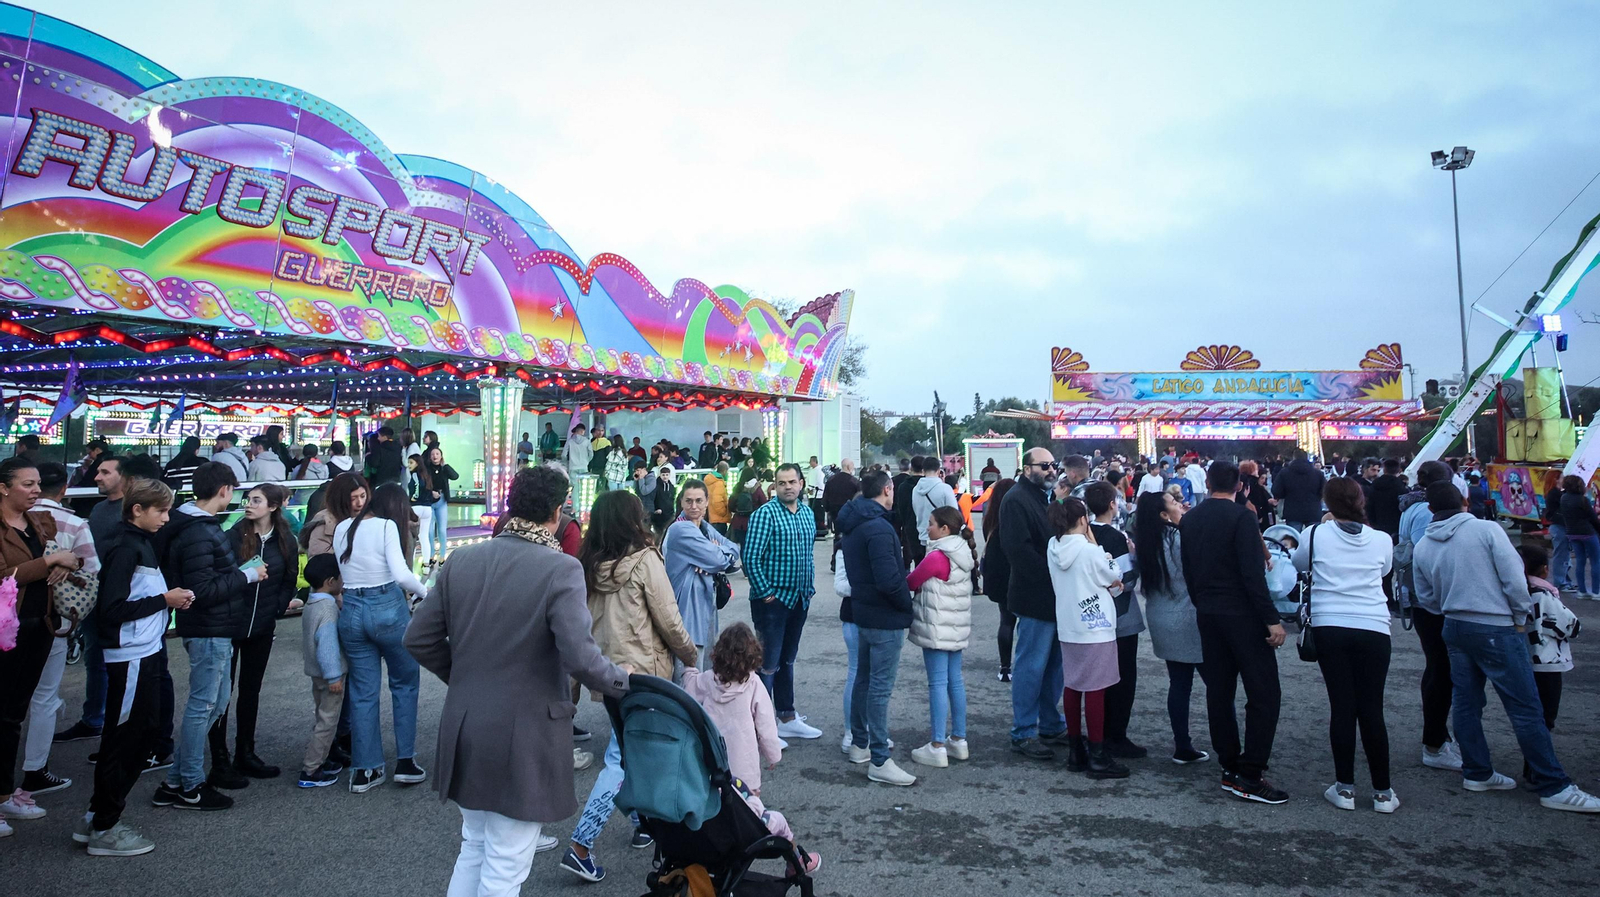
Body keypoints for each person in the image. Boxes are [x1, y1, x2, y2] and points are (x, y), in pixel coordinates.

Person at [404, 465, 630, 894]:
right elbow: (581, 657)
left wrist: (465, 676)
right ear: (558, 510)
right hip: (524, 730)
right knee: (506, 862)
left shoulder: (462, 559)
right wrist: (624, 681)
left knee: (475, 845)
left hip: (466, 721)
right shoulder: (560, 569)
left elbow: (418, 638)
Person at [1413, 481, 1600, 812]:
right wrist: (1519, 615)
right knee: (1525, 706)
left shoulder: (1425, 544)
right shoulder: (1486, 530)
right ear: (1464, 501)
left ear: (1429, 510)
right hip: (1496, 625)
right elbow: (1514, 575)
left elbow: (1425, 596)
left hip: (1454, 625)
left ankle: (1477, 770)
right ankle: (1553, 784)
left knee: (1467, 703)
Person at [560, 489, 697, 881]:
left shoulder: (585, 563)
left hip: (605, 672)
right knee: (622, 759)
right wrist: (689, 655)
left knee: (632, 750)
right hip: (644, 672)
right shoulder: (645, 560)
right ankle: (581, 844)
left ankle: (643, 823)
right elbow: (668, 618)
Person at [75, 477, 192, 856]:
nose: (166, 517)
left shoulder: (138, 544)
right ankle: (105, 824)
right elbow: (111, 610)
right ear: (137, 510)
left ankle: (99, 815)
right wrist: (165, 600)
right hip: (130, 655)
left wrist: (165, 601)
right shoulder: (126, 549)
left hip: (142, 651)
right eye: (161, 510)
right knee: (126, 739)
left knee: (137, 734)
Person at [151, 461, 264, 810]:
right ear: (225, 490)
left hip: (210, 627)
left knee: (213, 703)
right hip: (209, 628)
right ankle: (191, 785)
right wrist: (247, 576)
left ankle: (177, 782)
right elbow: (201, 588)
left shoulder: (190, 525)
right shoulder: (200, 530)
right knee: (205, 705)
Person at [1181, 460, 1288, 804]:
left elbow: (1189, 569)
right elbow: (1252, 574)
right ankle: (1252, 772)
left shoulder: (1191, 518)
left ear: (1208, 482)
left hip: (1208, 612)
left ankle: (1229, 764)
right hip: (1242, 615)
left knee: (1219, 690)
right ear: (1240, 486)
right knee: (1264, 692)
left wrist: (1202, 603)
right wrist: (1271, 618)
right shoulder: (1242, 517)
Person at [1291, 478, 1398, 813]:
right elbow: (1386, 570)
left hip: (1330, 624)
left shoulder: (1314, 534)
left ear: (1327, 502)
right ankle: (1383, 792)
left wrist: (1322, 526)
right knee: (1372, 708)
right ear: (1361, 500)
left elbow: (1298, 565)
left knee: (1342, 706)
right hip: (1373, 626)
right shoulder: (1381, 539)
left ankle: (1345, 787)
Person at [680, 624, 822, 875]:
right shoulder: (754, 684)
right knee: (748, 809)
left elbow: (689, 687)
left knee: (719, 808)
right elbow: (766, 725)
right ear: (753, 657)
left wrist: (689, 667)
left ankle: (717, 849)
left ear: (718, 654)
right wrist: (773, 754)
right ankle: (795, 860)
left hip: (712, 770)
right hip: (744, 772)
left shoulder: (707, 680)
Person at [0, 459, 85, 832]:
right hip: (6, 630)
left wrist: (65, 563)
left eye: (37, 483)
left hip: (39, 625)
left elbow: (72, 557)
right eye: (27, 484)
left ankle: (4, 796)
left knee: (14, 713)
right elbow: (6, 575)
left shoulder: (37, 520)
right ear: (4, 488)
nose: (36, 490)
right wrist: (50, 560)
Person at [332, 481, 429, 793]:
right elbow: (401, 575)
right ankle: (405, 763)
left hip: (352, 610)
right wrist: (427, 592)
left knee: (362, 691)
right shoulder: (387, 527)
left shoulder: (340, 529)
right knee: (404, 682)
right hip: (387, 605)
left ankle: (365, 769)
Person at [20, 464, 98, 797]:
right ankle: (34, 770)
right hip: (53, 620)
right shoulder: (75, 523)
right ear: (64, 489)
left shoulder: (17, 519)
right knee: (44, 697)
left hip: (11, 617)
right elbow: (92, 568)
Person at [215, 483, 300, 780]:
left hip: (262, 626)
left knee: (250, 691)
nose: (248, 504)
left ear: (273, 506)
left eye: (256, 500)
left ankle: (245, 753)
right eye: (247, 499)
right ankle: (219, 759)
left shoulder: (285, 540)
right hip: (230, 623)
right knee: (221, 693)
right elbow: (222, 575)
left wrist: (277, 607)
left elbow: (290, 577)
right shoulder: (233, 536)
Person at [838, 470, 917, 786]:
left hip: (864, 613)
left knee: (864, 680)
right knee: (879, 688)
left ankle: (861, 744)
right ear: (888, 489)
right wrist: (906, 605)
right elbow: (888, 579)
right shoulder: (879, 528)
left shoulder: (855, 524)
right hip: (884, 617)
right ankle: (880, 758)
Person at [1046, 496, 1128, 779]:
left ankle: (1075, 749)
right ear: (1083, 520)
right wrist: (1099, 548)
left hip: (1069, 623)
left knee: (1073, 685)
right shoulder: (1090, 550)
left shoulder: (1053, 546)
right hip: (1097, 624)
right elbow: (1113, 573)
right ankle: (1097, 754)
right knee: (1096, 688)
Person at [743, 463, 822, 741]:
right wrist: (766, 594)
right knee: (767, 664)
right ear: (774, 486)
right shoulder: (765, 514)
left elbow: (807, 554)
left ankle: (787, 716)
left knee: (788, 660)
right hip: (772, 602)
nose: (788, 486)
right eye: (782, 482)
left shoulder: (808, 514)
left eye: (792, 481)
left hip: (800, 597)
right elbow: (750, 558)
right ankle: (762, 727)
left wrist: (809, 587)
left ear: (801, 483)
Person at [1003, 448, 1069, 761]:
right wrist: (1054, 574)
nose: (1051, 470)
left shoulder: (1044, 498)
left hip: (1053, 597)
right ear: (1027, 468)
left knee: (1054, 666)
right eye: (1045, 466)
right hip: (1033, 597)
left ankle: (1051, 723)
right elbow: (1018, 551)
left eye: (1053, 465)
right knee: (1031, 666)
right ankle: (1024, 731)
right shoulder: (1016, 499)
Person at [1133, 490, 1209, 764]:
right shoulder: (1178, 539)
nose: (1182, 505)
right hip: (1188, 617)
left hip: (1161, 618)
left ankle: (1182, 744)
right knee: (1216, 682)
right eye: (1175, 503)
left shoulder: (1144, 541)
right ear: (1164, 515)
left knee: (1179, 683)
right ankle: (1227, 744)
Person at [1395, 459, 1461, 770]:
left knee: (1438, 667)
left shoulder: (1411, 507)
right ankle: (1435, 740)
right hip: (1432, 599)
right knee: (1441, 669)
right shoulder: (1426, 512)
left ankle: (1438, 737)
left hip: (1422, 597)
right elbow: (1429, 554)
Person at [906, 505, 975, 770]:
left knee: (936, 683)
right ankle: (959, 738)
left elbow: (911, 582)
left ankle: (936, 744)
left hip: (936, 626)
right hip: (956, 626)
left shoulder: (936, 556)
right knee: (955, 681)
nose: (928, 528)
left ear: (944, 528)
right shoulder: (962, 551)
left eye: (932, 523)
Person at [1086, 481, 1146, 760]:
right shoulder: (1115, 537)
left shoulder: (1084, 533)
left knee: (1098, 677)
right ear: (1112, 505)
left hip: (1091, 612)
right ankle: (1116, 735)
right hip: (1120, 615)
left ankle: (1097, 731)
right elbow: (1123, 580)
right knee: (1123, 677)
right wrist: (1134, 557)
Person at [663, 479, 742, 672]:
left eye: (699, 500)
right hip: (687, 615)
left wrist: (715, 556)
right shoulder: (680, 529)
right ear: (680, 502)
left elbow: (734, 550)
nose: (694, 506)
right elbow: (720, 560)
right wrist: (715, 557)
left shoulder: (704, 527)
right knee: (688, 678)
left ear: (707, 502)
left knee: (705, 675)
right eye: (688, 501)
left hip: (706, 610)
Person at [1520, 545, 1578, 785]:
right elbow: (1571, 626)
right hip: (1549, 662)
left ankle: (1531, 765)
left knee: (1531, 713)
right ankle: (1537, 767)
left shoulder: (1517, 592)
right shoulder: (1545, 596)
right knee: (1546, 716)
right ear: (1544, 570)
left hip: (1524, 660)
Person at [296, 554, 346, 789]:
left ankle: (319, 761)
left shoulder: (312, 603)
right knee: (327, 721)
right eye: (339, 578)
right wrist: (334, 675)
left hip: (315, 672)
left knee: (321, 716)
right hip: (329, 675)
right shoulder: (327, 608)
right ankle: (311, 769)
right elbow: (327, 645)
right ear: (330, 581)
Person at [983, 478, 1017, 682]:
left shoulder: (990, 519)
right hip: (1017, 571)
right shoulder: (1016, 516)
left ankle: (1005, 666)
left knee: (1006, 620)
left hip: (997, 572)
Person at [301, 472, 368, 559]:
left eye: (363, 496)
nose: (360, 503)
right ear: (339, 498)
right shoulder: (324, 522)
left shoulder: (373, 519)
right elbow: (319, 562)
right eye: (353, 498)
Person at [1558, 474, 1600, 597]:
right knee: (1595, 561)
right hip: (1587, 533)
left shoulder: (1563, 498)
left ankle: (1582, 591)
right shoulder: (1583, 500)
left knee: (1580, 562)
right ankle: (1596, 591)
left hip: (1572, 533)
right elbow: (1593, 518)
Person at [912, 458, 959, 556]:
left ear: (923, 471)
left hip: (922, 537)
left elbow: (916, 510)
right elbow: (954, 514)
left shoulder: (915, 490)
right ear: (938, 471)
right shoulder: (945, 488)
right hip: (943, 539)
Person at [1271, 449, 1326, 531]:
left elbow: (1276, 491)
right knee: (1313, 539)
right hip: (1313, 511)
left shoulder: (1284, 473)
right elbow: (1325, 491)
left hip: (1292, 512)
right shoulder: (1318, 474)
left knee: (1293, 540)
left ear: (1294, 458)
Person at [422, 446, 459, 566]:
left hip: (442, 500)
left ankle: (442, 555)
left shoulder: (444, 469)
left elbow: (455, 476)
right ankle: (431, 555)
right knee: (430, 530)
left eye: (437, 454)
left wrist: (446, 466)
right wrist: (431, 492)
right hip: (429, 501)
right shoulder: (426, 470)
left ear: (441, 456)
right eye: (433, 454)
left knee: (442, 530)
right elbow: (423, 484)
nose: (435, 456)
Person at [407, 455, 438, 568]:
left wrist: (413, 497)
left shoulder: (415, 475)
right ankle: (426, 563)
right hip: (427, 508)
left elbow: (416, 486)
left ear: (417, 463)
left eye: (411, 462)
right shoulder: (426, 475)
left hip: (416, 507)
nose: (409, 465)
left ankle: (410, 562)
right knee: (424, 536)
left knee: (412, 536)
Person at [1543, 480, 1571, 590]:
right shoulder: (1555, 494)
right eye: (1561, 477)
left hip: (1559, 526)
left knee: (1564, 555)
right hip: (1560, 526)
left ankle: (1564, 580)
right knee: (1561, 555)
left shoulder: (1557, 493)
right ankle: (1560, 582)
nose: (1564, 480)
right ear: (1556, 479)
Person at [1370, 459, 1406, 538]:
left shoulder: (1374, 485)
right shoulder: (1402, 488)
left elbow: (1369, 505)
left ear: (1384, 469)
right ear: (1398, 470)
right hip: (1396, 527)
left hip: (1376, 525)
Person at [1236, 460, 1273, 531]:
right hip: (1257, 517)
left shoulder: (1242, 483)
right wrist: (1259, 515)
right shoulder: (1253, 484)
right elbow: (1257, 501)